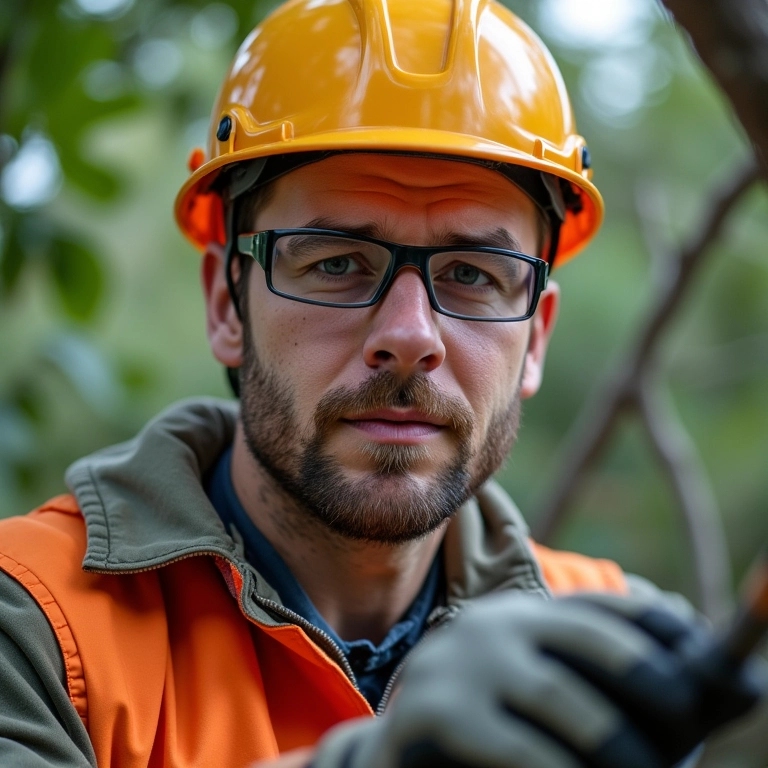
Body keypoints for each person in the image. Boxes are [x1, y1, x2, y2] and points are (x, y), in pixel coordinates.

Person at [0, 0, 764, 766]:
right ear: (227, 301)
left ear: (534, 338)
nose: (409, 337)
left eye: (471, 275)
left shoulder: (609, 646)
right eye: (335, 262)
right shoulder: (33, 618)